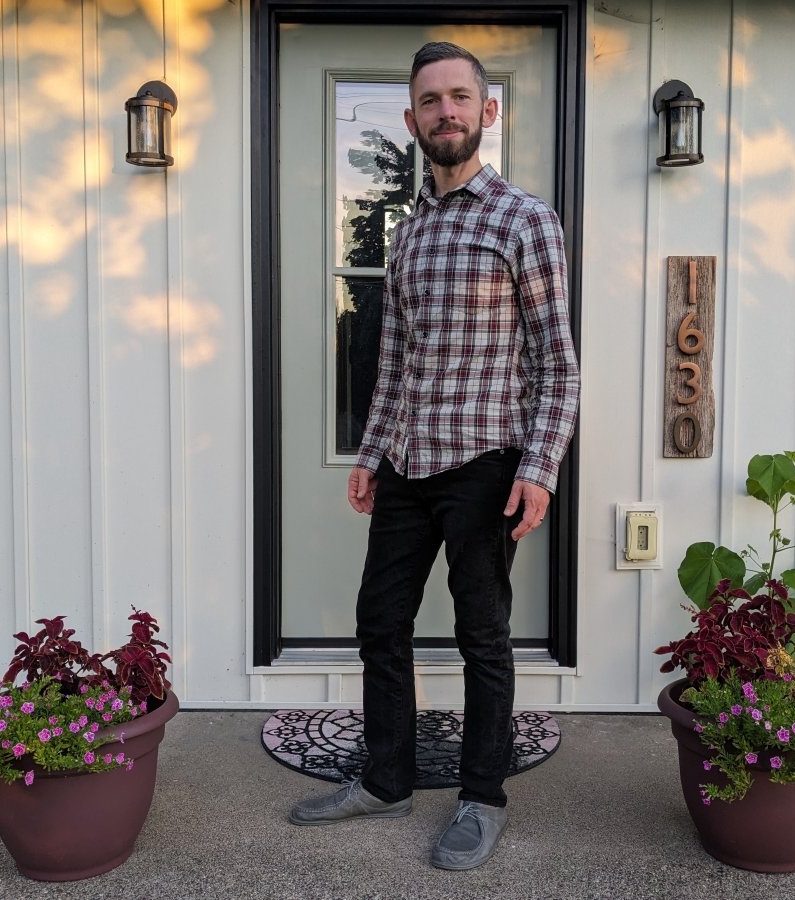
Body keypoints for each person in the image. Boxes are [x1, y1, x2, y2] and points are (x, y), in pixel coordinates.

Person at [289, 41, 580, 871]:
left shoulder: (525, 220)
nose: (445, 112)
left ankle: (483, 799)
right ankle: (386, 777)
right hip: (409, 467)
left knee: (482, 635)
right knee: (380, 621)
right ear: (414, 120)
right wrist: (371, 451)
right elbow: (396, 359)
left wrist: (540, 468)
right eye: (429, 101)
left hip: (488, 462)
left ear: (487, 113)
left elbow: (558, 363)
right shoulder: (409, 230)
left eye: (459, 97)